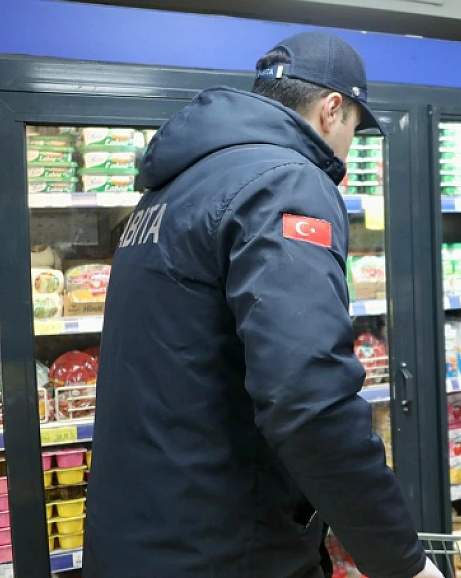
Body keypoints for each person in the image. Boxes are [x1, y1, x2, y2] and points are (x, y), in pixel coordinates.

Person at [85, 32, 442, 578]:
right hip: (225, 550)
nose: (347, 148)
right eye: (352, 128)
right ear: (331, 111)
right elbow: (308, 398)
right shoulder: (287, 182)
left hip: (139, 538)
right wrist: (401, 562)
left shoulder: (168, 190)